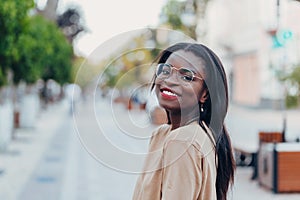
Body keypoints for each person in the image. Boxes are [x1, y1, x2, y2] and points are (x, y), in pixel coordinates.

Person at [132, 42, 235, 200]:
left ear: (204, 94)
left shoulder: (183, 141)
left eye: (187, 77)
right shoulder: (164, 134)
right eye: (165, 70)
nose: (170, 80)